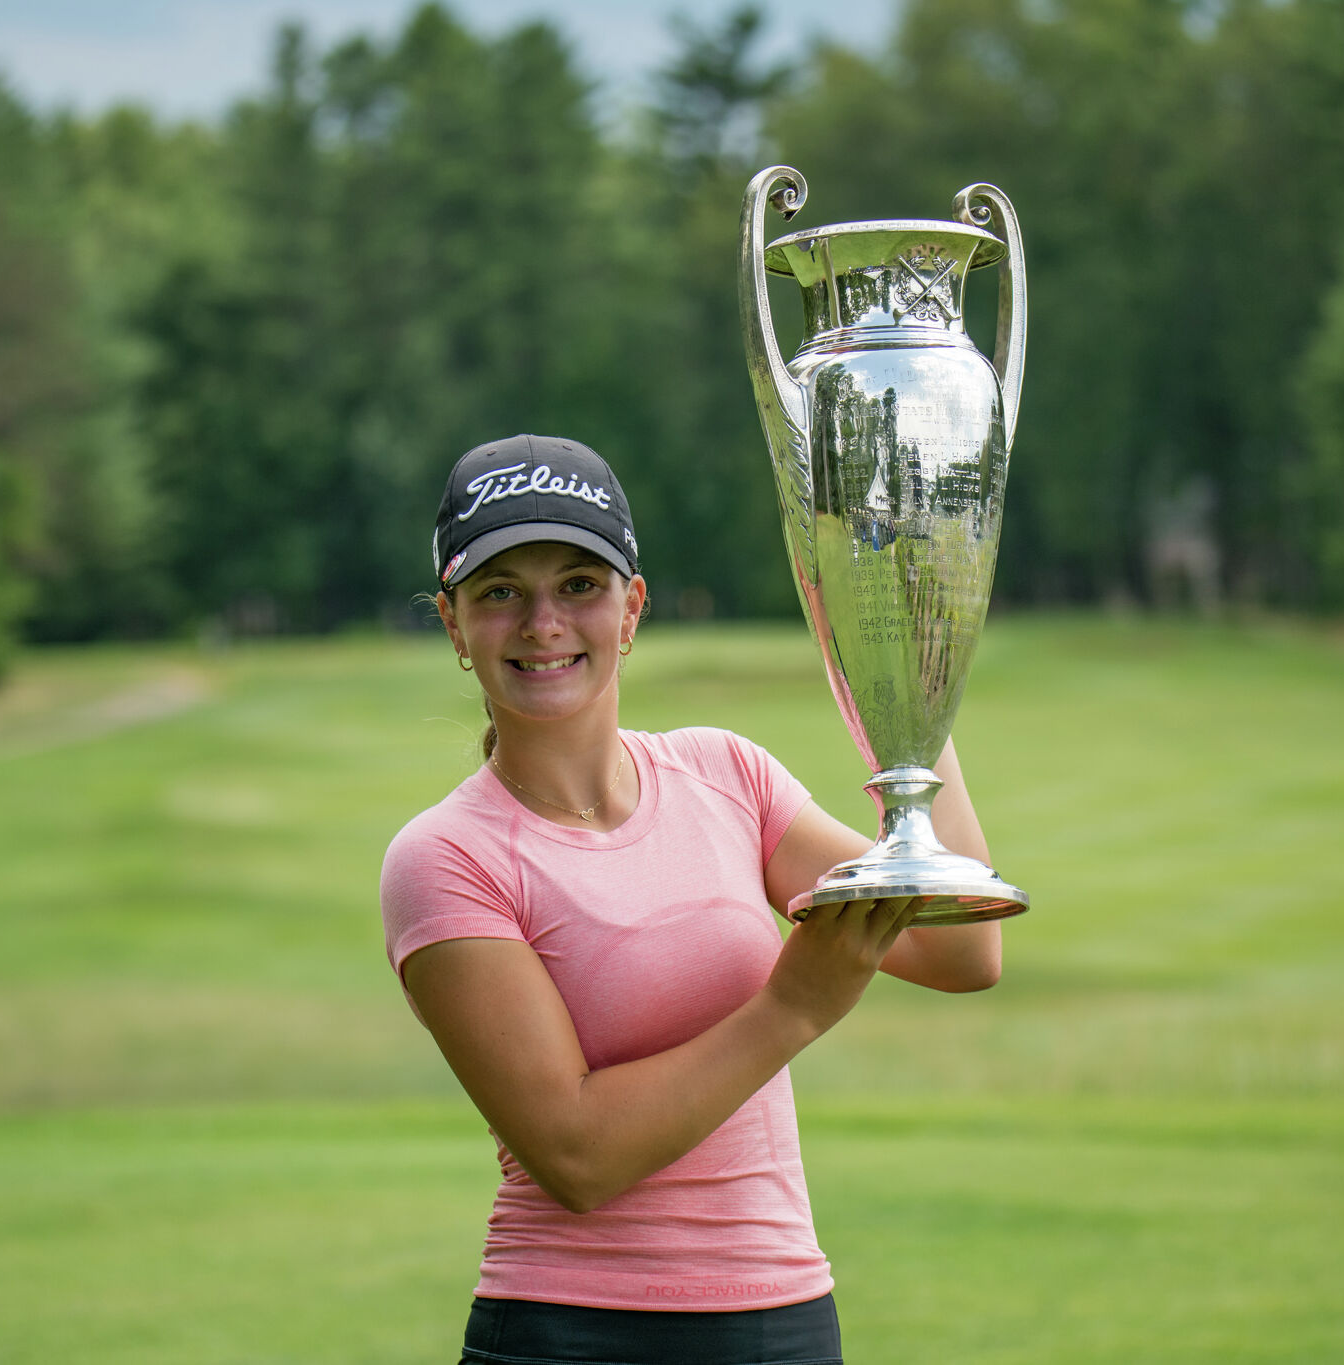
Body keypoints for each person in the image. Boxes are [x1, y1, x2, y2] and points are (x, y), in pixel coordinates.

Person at [381, 434, 1005, 1365]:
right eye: (501, 591)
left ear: (630, 608)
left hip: (784, 1318)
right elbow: (577, 1156)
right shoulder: (446, 858)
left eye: (578, 585)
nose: (543, 622)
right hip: (572, 1333)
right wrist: (793, 1005)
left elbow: (964, 951)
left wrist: (906, 690)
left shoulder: (727, 775)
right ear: (452, 623)